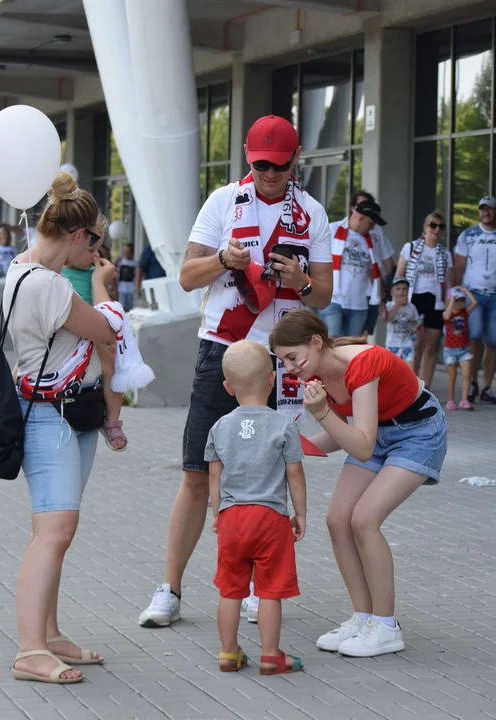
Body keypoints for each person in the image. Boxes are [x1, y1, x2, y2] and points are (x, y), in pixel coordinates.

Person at [138, 114, 332, 628]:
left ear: (294, 162)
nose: (269, 173)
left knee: (270, 477)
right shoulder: (224, 201)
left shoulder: (311, 213)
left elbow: (328, 293)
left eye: (278, 164)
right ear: (249, 160)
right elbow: (185, 276)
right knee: (197, 474)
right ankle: (170, 589)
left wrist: (302, 281)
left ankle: (255, 589)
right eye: (260, 164)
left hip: (279, 357)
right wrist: (225, 258)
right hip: (223, 349)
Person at [269, 309, 447, 657]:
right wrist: (287, 451)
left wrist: (319, 413)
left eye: (292, 357)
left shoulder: (363, 364)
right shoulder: (317, 374)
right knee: (337, 520)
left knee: (364, 520)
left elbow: (361, 446)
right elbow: (342, 436)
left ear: (316, 342)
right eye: (283, 361)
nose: (289, 368)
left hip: (418, 433)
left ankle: (385, 626)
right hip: (378, 435)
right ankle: (363, 618)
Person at [5, 173, 119, 685]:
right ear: (78, 236)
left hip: (66, 412)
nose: (97, 251)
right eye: (95, 241)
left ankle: (47, 635)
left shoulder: (19, 267)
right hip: (51, 414)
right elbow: (106, 329)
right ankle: (30, 649)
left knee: (52, 532)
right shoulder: (48, 285)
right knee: (53, 533)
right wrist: (101, 285)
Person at [208, 340, 307, 675]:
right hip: (271, 518)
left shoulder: (219, 427)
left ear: (227, 387)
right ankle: (269, 655)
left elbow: (214, 475)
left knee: (231, 589)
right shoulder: (283, 425)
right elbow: (295, 474)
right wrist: (301, 513)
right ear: (272, 380)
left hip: (232, 518)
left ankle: (228, 653)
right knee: (269, 591)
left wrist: (216, 513)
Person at [60, 220, 127, 452]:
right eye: (90, 249)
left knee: (113, 369)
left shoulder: (93, 273)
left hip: (91, 336)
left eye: (98, 249)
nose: (96, 255)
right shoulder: (55, 272)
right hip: (68, 337)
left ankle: (112, 420)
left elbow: (105, 311)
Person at [453, 196, 496, 406]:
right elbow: (458, 267)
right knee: (474, 338)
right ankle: (472, 383)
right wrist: (454, 295)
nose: (486, 213)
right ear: (479, 212)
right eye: (483, 209)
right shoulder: (468, 235)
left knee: (493, 342)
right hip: (472, 295)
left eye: (490, 209)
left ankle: (487, 387)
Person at [395, 211, 452, 387]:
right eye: (433, 225)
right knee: (416, 343)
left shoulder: (445, 254)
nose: (436, 230)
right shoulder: (410, 247)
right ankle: (412, 384)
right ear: (425, 227)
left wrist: (450, 307)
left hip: (436, 301)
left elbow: (449, 283)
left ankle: (425, 386)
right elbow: (399, 274)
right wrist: (398, 300)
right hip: (415, 299)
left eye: (440, 226)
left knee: (432, 344)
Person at [323, 200, 388, 337]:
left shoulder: (372, 240)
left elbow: (373, 272)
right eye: (371, 223)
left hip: (358, 305)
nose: (372, 227)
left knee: (352, 348)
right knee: (332, 344)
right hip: (333, 299)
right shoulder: (332, 229)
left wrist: (380, 300)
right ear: (360, 218)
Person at [347, 191, 395, 338]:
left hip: (370, 291)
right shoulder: (339, 231)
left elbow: (388, 262)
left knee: (361, 336)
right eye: (359, 206)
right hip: (346, 292)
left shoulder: (376, 230)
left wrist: (392, 291)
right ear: (352, 208)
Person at [442, 287, 478, 410]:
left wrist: (464, 291)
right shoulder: (448, 313)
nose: (460, 303)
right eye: (457, 300)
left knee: (467, 375)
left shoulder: (465, 313)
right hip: (450, 350)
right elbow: (446, 316)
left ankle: (464, 400)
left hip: (464, 350)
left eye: (462, 300)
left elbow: (475, 303)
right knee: (452, 376)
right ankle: (450, 400)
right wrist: (451, 300)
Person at [384, 278, 419, 361]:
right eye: (398, 289)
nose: (401, 291)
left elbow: (416, 323)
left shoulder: (411, 307)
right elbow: (387, 318)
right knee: (393, 371)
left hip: (408, 344)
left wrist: (415, 337)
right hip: (393, 345)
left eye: (404, 289)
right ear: (392, 292)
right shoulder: (389, 306)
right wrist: (397, 304)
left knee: (410, 371)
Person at [115, 242, 137, 310]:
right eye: (124, 251)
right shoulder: (120, 262)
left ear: (131, 252)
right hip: (121, 288)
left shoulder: (135, 263)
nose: (125, 253)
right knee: (121, 307)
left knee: (129, 307)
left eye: (127, 251)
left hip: (131, 288)